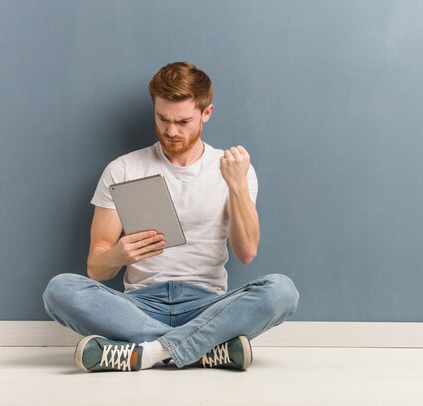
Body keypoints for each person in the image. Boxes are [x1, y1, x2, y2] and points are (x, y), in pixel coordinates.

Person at [42, 62, 299, 372]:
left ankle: (148, 353)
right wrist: (118, 254)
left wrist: (236, 185)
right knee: (60, 290)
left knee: (282, 291)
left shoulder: (232, 169)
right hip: (139, 305)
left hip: (208, 305)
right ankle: (203, 350)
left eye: (183, 121)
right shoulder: (122, 169)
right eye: (162, 119)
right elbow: (96, 269)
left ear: (207, 113)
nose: (171, 130)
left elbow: (246, 252)